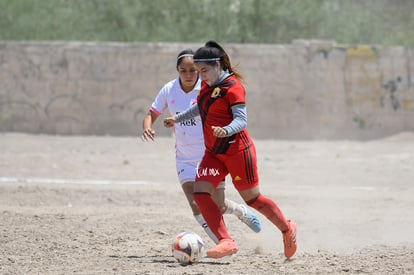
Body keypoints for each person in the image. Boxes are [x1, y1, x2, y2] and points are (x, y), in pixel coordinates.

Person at [164, 41, 297, 259]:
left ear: (217, 65)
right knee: (200, 194)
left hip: (237, 152)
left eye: (204, 71)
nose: (201, 76)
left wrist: (225, 131)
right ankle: (226, 241)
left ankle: (287, 229)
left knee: (253, 200)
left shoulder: (233, 87)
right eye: (199, 72)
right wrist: (177, 118)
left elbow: (241, 121)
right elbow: (201, 106)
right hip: (213, 153)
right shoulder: (207, 86)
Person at [141, 49, 262, 245]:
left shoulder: (209, 89)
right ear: (177, 70)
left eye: (193, 70)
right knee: (195, 204)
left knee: (219, 205)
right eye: (183, 71)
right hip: (184, 158)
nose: (188, 75)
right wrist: (148, 127)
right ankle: (222, 242)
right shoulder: (169, 89)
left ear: (199, 70)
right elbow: (151, 114)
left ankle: (240, 211)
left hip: (210, 155)